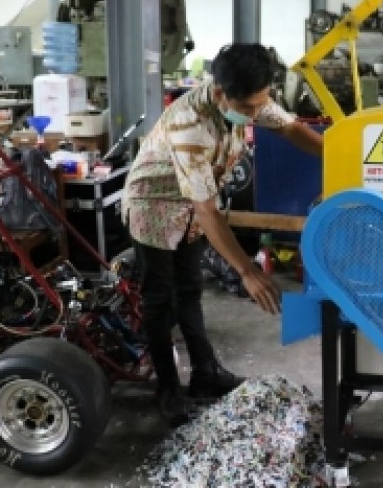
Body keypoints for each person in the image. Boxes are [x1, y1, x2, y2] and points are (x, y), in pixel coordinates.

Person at [122, 43, 323, 427]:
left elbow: (293, 128)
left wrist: (337, 154)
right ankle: (167, 390)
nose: (253, 115)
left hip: (191, 204)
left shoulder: (250, 96)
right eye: (247, 109)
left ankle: (205, 373)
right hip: (154, 204)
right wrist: (248, 270)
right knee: (159, 300)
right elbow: (208, 210)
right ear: (219, 93)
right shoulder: (189, 126)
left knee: (190, 289)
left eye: (258, 106)